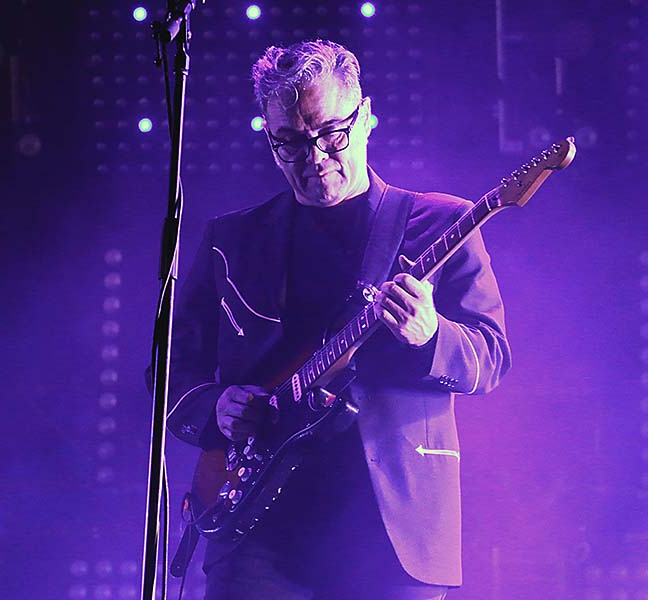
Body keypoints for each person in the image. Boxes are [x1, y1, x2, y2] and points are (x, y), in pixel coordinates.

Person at [165, 39, 511, 600]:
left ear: (367, 116)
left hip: (390, 525)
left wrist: (430, 336)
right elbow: (174, 377)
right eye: (291, 143)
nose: (316, 157)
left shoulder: (441, 225)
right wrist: (216, 406)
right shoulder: (230, 240)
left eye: (332, 133)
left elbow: (492, 356)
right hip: (256, 521)